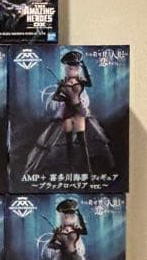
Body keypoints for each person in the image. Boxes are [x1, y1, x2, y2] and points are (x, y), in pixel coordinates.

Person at [23, 49, 115, 180]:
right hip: (67, 112)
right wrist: (61, 93)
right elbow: (56, 98)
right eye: (67, 68)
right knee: (69, 143)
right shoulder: (63, 83)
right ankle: (71, 169)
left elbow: (90, 83)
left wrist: (84, 66)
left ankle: (88, 169)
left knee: (82, 142)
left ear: (77, 69)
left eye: (71, 68)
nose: (68, 70)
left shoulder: (81, 81)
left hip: (79, 112)